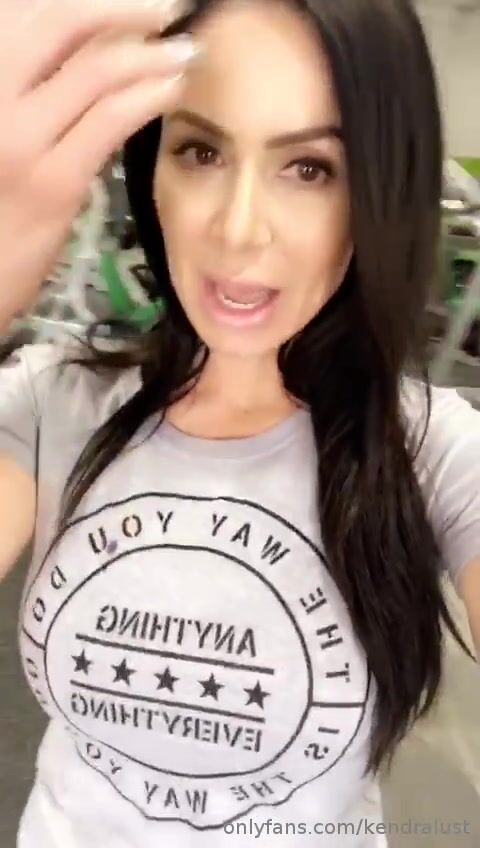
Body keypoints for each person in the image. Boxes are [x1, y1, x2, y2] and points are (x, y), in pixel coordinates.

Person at [0, 0, 478, 845]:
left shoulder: (436, 453)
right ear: (153, 170)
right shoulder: (53, 402)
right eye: (202, 151)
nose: (238, 228)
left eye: (310, 168)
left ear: (380, 192)